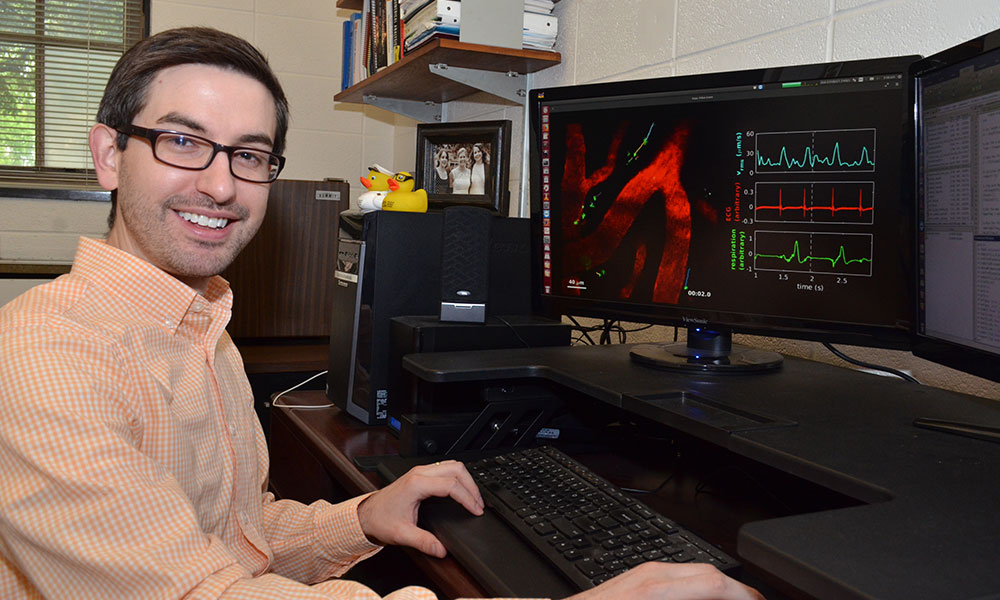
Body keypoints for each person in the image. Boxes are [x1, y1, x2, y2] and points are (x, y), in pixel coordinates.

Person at [0, 27, 764, 600]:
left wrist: (363, 516)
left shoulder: (200, 328)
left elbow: (238, 540)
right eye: (182, 142)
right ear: (108, 155)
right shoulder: (48, 354)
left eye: (250, 155)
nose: (222, 186)